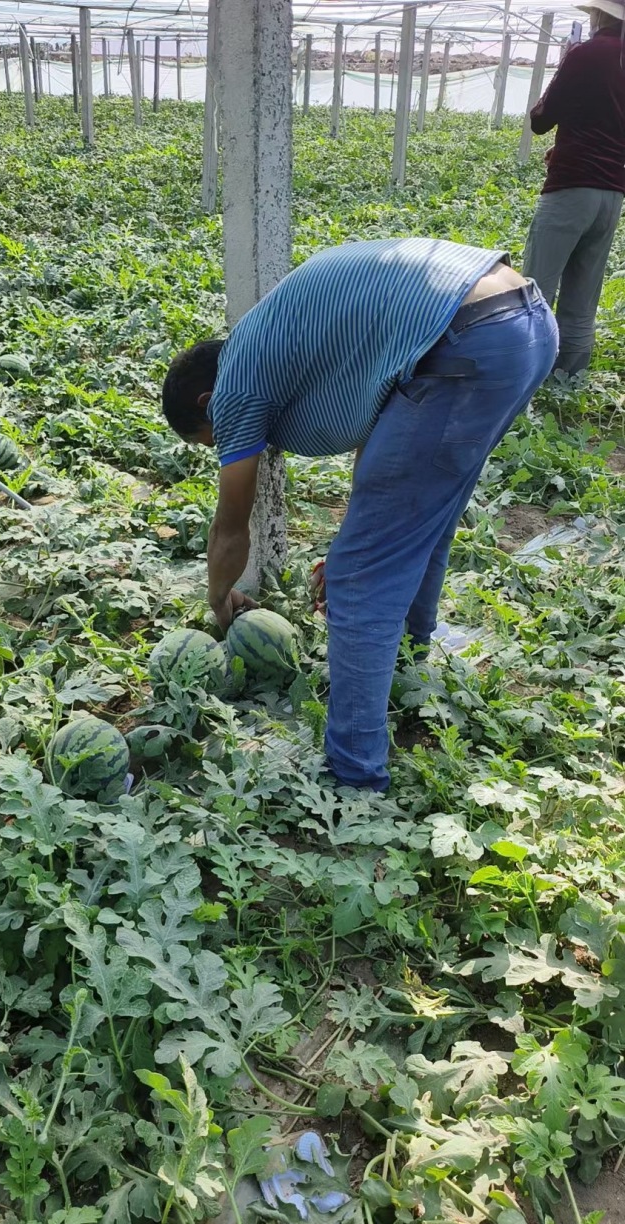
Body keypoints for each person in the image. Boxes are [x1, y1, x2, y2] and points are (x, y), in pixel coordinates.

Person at [161, 239, 558, 792]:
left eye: (211, 442)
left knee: (359, 579)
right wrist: (359, 535)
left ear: (207, 402)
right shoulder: (277, 341)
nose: (224, 447)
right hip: (525, 323)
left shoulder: (235, 387)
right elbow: (387, 445)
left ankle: (354, 772)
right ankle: (410, 652)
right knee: (429, 518)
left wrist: (218, 598)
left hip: (464, 340)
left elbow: (232, 524)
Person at [522, 1, 625, 374]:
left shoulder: (587, 54)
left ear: (599, 14)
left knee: (535, 292)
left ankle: (526, 380)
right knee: (584, 295)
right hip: (612, 193)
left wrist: (567, 63)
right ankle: (571, 378)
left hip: (571, 186)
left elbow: (541, 119)